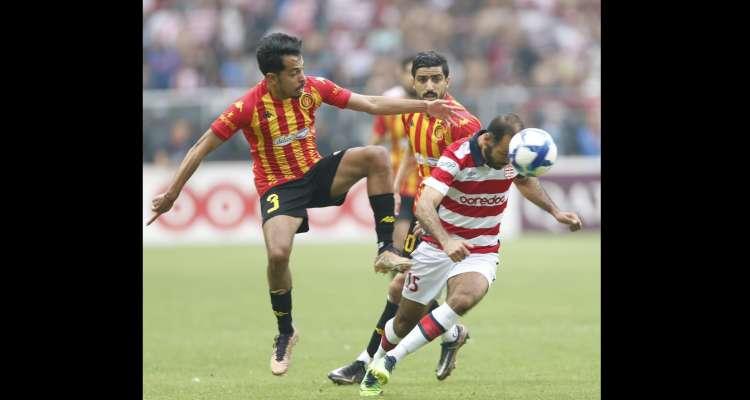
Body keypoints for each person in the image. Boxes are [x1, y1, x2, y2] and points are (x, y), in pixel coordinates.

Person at [146, 32, 462, 376]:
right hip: (279, 186)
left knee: (375, 156)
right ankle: (285, 331)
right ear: (272, 78)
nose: (301, 77)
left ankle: (385, 246)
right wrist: (174, 192)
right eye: (293, 72)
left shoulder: (314, 88)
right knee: (278, 254)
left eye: (301, 68)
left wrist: (425, 104)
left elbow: (370, 103)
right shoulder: (247, 107)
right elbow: (201, 147)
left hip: (316, 172)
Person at [359, 114, 583, 396]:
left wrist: (556, 212)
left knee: (463, 299)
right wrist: (446, 239)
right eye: (503, 154)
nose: (507, 162)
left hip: (481, 248)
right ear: (487, 139)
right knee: (403, 321)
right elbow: (425, 205)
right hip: (438, 246)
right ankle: (374, 362)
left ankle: (390, 362)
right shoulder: (458, 155)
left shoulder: (512, 157)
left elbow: (524, 180)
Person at [329, 51, 482, 384]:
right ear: (411, 81)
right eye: (422, 79)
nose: (429, 86)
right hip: (425, 213)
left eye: (436, 79)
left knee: (400, 285)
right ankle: (449, 333)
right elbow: (417, 156)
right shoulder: (412, 116)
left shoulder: (463, 124)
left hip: (453, 223)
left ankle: (366, 362)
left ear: (448, 81)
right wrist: (403, 193)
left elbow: (472, 178)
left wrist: (435, 217)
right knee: (401, 285)